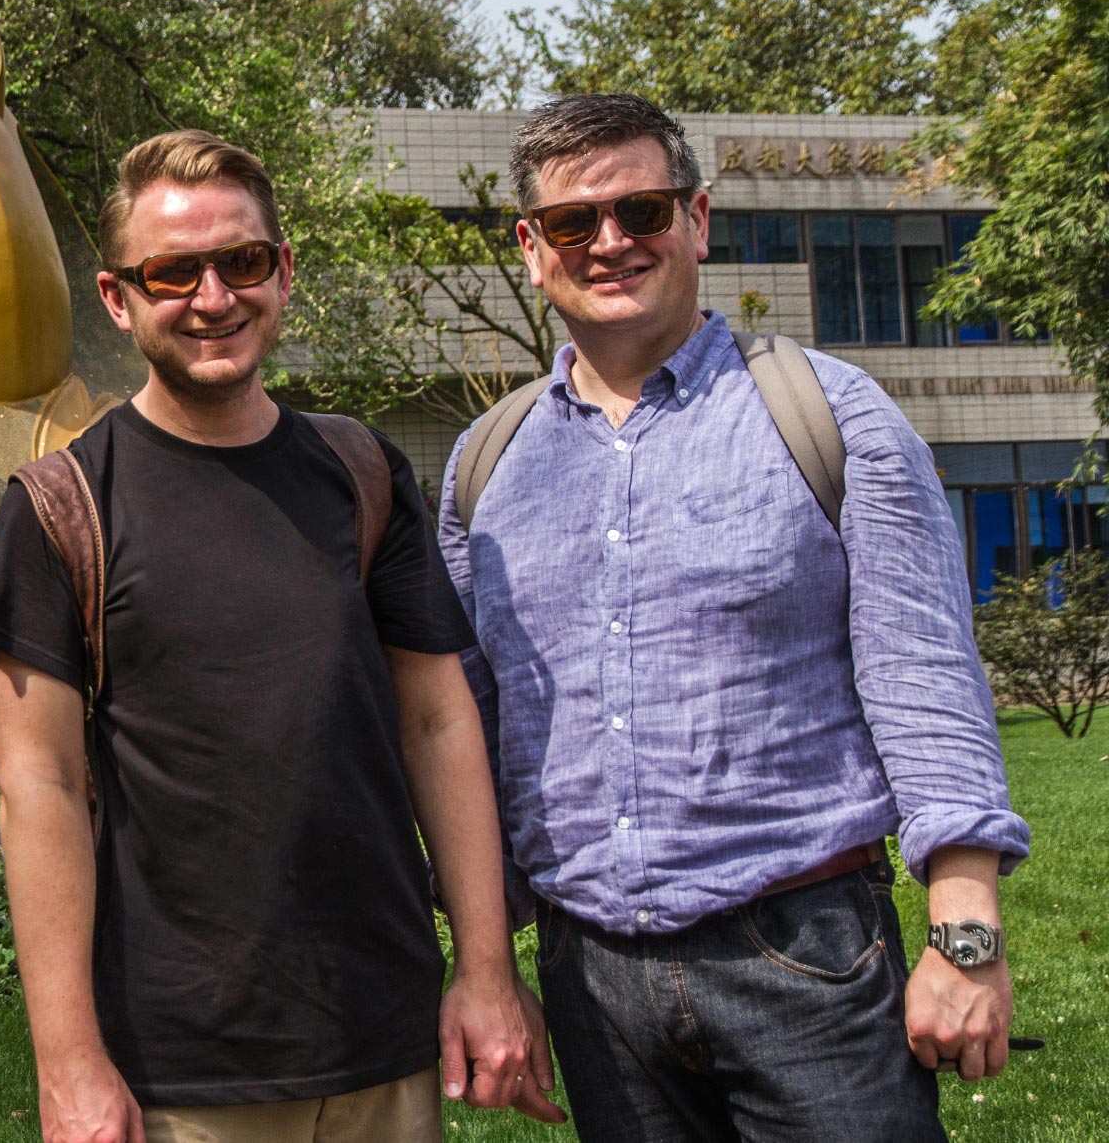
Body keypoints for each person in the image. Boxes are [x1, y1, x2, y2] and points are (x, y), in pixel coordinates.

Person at [436, 93, 1032, 1142]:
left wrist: (965, 933)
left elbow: (925, 678)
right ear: (532, 249)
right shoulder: (485, 466)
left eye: (643, 210)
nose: (610, 241)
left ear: (697, 220)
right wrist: (484, 967)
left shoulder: (831, 417)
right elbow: (465, 737)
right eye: (574, 222)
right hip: (590, 980)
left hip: (805, 957)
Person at [0, 129, 564, 1143]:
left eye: (240, 262)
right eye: (173, 272)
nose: (213, 298)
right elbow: (40, 788)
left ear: (282, 274)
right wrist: (68, 1063)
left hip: (381, 1039)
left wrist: (484, 969)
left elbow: (434, 721)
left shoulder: (362, 474)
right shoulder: (58, 509)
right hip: (179, 1067)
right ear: (118, 299)